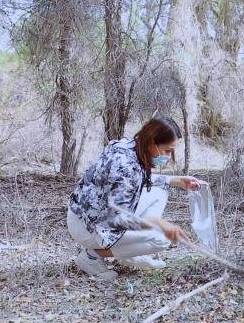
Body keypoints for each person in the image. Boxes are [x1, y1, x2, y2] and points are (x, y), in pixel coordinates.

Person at [66, 117, 202, 280]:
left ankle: (131, 253)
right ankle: (92, 256)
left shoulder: (130, 148)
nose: (169, 155)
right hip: (87, 227)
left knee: (159, 192)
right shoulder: (125, 167)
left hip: (87, 215)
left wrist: (174, 180)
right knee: (162, 239)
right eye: (167, 150)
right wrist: (159, 224)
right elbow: (116, 220)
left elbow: (135, 180)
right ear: (152, 143)